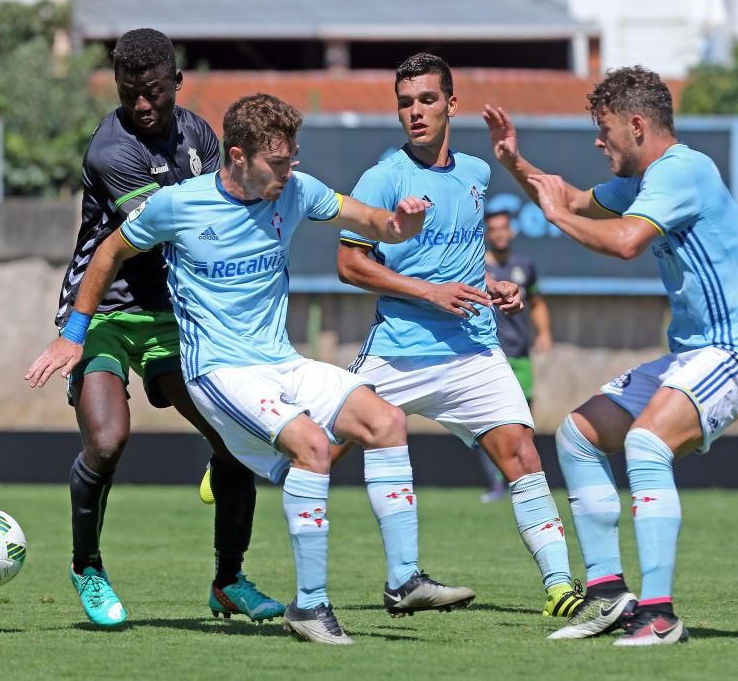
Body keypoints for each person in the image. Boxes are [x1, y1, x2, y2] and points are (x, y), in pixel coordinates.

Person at [27, 93, 476, 645]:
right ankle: (309, 607)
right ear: (237, 156)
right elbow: (108, 253)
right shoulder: (178, 204)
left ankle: (404, 580)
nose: (290, 172)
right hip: (218, 370)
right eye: (278, 162)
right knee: (311, 444)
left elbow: (375, 223)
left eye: (292, 158)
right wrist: (73, 335)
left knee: (385, 421)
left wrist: (401, 225)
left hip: (279, 361)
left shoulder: (297, 189)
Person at [484, 65, 738, 645]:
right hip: (695, 355)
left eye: (605, 129)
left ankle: (660, 614)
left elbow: (623, 243)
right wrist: (516, 165)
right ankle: (608, 595)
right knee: (576, 434)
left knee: (645, 444)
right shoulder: (646, 180)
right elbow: (566, 197)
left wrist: (558, 217)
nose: (599, 141)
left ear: (637, 125)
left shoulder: (682, 171)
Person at [42, 29, 279, 628]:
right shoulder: (110, 151)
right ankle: (87, 567)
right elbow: (169, 228)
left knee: (239, 441)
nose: (142, 106)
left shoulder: (199, 133)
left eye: (153, 92)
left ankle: (229, 582)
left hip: (172, 315)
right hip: (104, 312)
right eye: (130, 94)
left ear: (176, 82)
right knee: (106, 441)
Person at [337, 53, 584, 619]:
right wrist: (431, 292)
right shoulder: (382, 177)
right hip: (399, 351)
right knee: (313, 450)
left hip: (473, 348)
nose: (416, 112)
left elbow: (458, 262)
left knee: (522, 452)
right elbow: (350, 266)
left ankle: (560, 588)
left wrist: (492, 285)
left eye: (427, 99)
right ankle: (238, 463)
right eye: (405, 102)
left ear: (452, 104)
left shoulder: (476, 173)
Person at [477, 208, 553, 503]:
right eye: (493, 229)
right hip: (487, 354)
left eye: (503, 228)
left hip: (520, 354)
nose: (499, 234)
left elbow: (537, 302)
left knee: (522, 421)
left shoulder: (525, 266)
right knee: (489, 421)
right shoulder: (476, 266)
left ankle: (523, 481)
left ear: (512, 231)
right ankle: (498, 483)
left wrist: (544, 333)